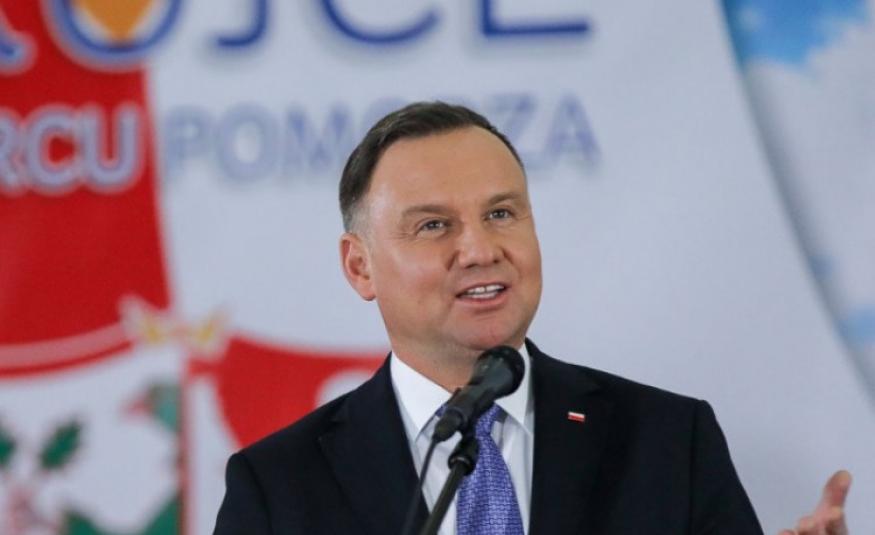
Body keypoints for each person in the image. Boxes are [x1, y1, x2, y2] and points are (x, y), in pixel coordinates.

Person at [213, 102, 851, 535]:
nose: (480, 249)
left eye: (501, 214)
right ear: (360, 267)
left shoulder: (668, 441)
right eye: (434, 225)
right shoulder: (278, 486)